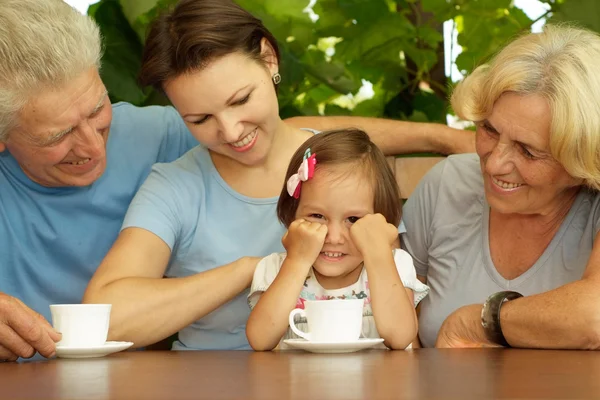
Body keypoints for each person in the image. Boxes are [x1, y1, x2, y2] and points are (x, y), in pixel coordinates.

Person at [0, 0, 470, 362]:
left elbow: (315, 139)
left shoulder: (332, 163)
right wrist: (258, 268)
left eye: (241, 99)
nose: (229, 132)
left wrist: (444, 137)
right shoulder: (176, 178)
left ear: (269, 58)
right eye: (199, 118)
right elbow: (108, 312)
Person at [401, 24, 600, 349]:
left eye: (528, 151)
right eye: (489, 130)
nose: (493, 164)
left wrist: (479, 323)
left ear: (582, 163)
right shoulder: (446, 186)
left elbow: (595, 317)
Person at [246, 129, 429, 351]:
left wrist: (378, 254)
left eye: (353, 219)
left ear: (381, 222)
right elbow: (260, 340)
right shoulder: (275, 268)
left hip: (377, 385)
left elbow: (400, 338)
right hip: (294, 384)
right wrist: (297, 262)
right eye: (317, 216)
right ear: (292, 214)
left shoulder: (394, 265)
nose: (333, 237)